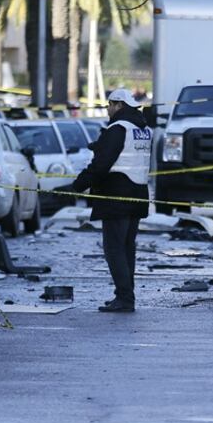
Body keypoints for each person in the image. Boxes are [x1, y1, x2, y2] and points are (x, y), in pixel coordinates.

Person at [69, 88, 152, 312]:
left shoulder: (117, 128)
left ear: (119, 105)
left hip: (117, 196)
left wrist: (77, 185)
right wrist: (101, 146)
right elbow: (126, 154)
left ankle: (125, 299)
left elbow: (101, 165)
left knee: (114, 248)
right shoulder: (143, 129)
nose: (108, 109)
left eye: (109, 105)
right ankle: (125, 295)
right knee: (127, 248)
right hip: (138, 195)